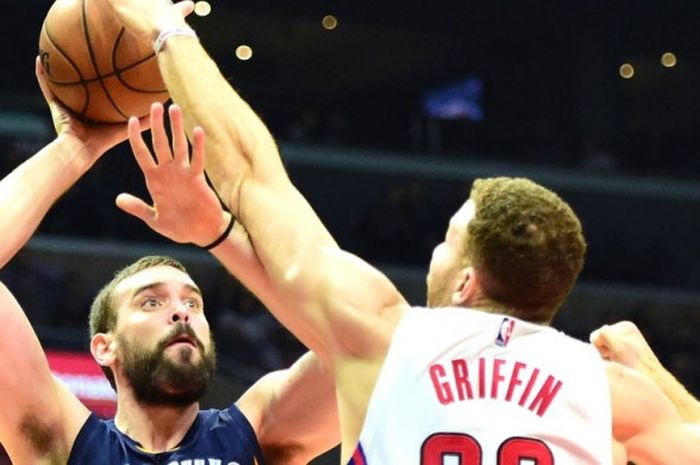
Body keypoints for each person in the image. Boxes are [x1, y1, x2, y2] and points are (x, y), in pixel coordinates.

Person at [106, 1, 700, 464]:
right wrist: (651, 370)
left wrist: (166, 31)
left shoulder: (391, 338)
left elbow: (255, 177)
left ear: (468, 280)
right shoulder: (611, 393)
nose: (435, 253)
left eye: (448, 240)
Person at [0, 60, 339, 463]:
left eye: (193, 303)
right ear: (105, 347)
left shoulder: (258, 432)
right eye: (151, 302)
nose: (181, 312)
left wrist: (220, 233)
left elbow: (368, 341)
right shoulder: (61, 440)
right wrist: (75, 147)